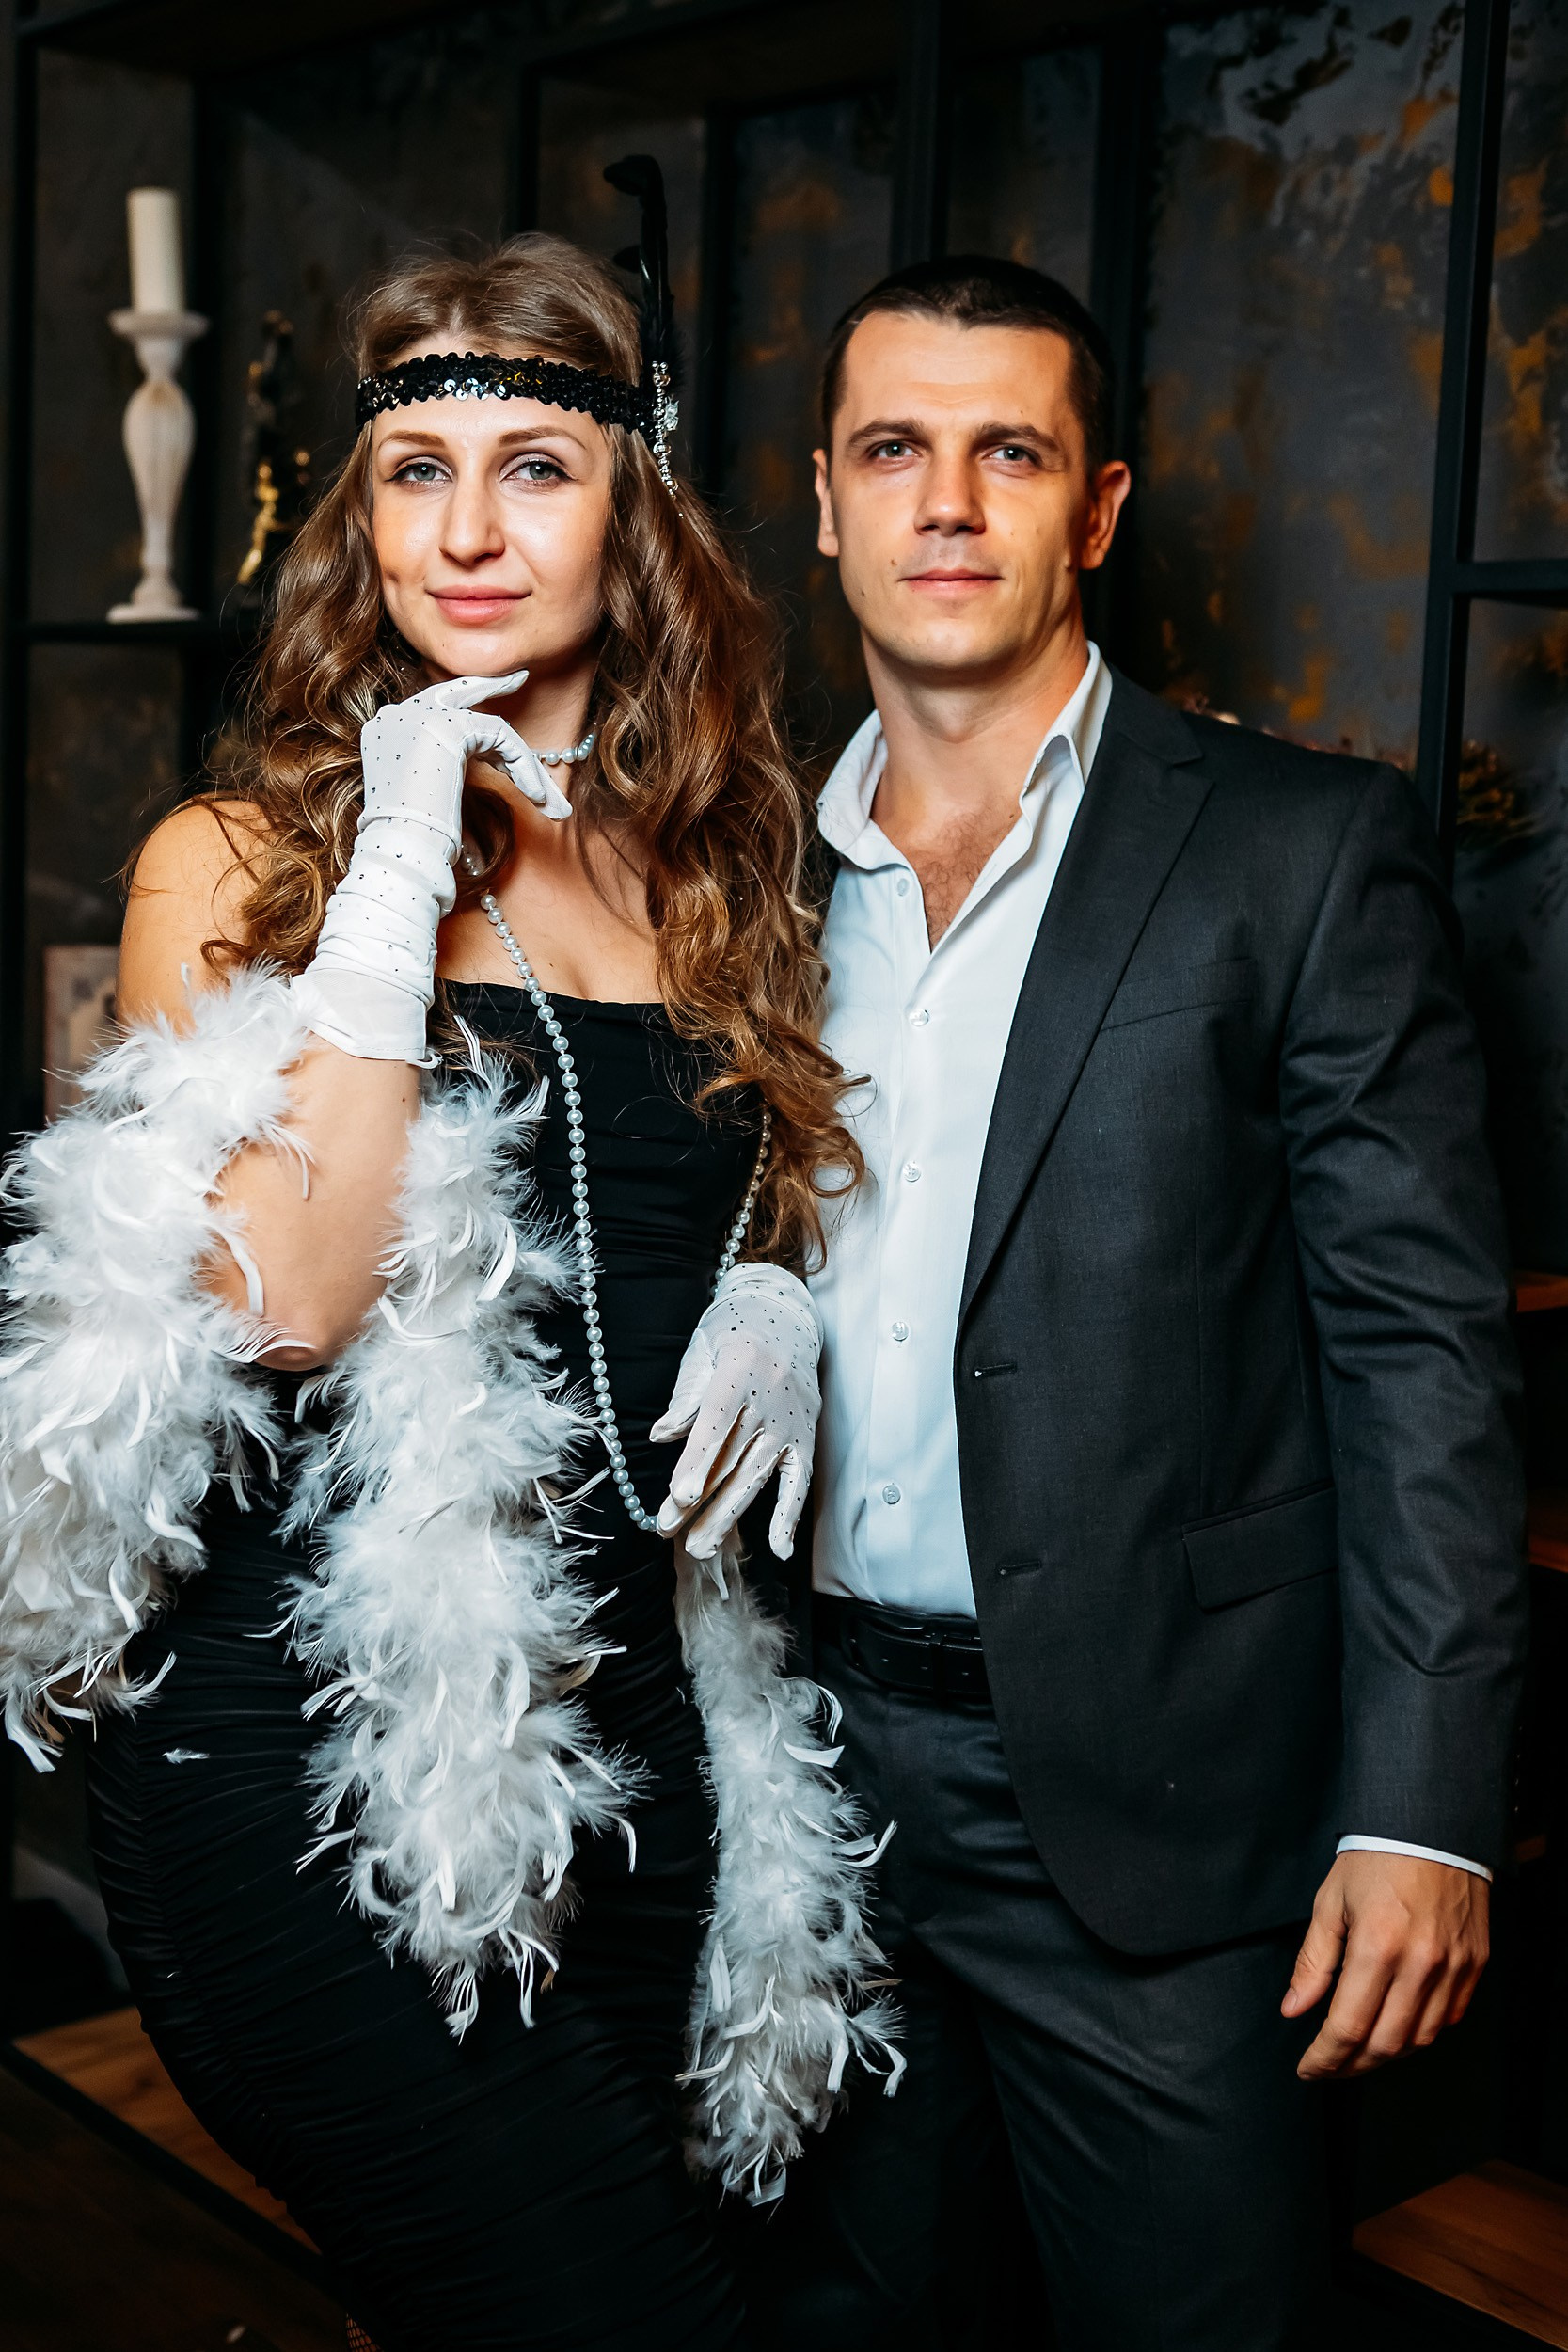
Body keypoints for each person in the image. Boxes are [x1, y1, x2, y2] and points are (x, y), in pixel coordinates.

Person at [0, 222, 901, 2352]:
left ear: (635, 508)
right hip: (309, 1761)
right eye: (419, 473)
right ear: (365, 516)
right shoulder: (241, 860)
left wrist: (778, 1290)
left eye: (536, 469)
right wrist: (398, 864)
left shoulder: (715, 862)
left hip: (641, 1733)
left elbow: (730, 1202)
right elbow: (284, 1304)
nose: (470, 533)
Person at [738, 257, 1528, 2349]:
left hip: (1157, 1801)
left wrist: (1424, 1810)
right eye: (894, 449)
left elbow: (1421, 1359)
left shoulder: (1298, 849)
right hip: (798, 1778)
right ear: (823, 500)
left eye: (1008, 452)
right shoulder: (736, 872)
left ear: (1094, 508)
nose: (946, 503)